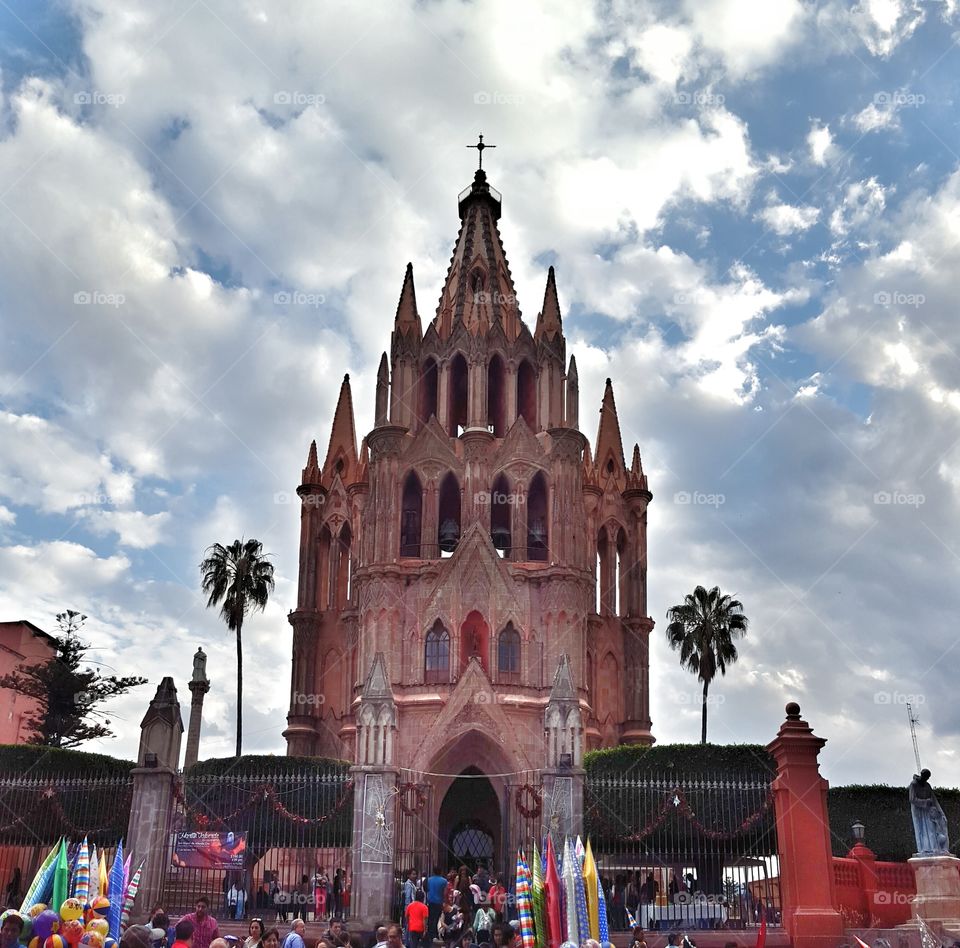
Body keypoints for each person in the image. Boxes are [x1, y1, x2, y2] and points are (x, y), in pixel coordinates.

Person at [426, 867, 448, 941]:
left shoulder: (429, 880)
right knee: (436, 918)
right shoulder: (444, 881)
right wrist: (444, 901)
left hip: (430, 901)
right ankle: (434, 934)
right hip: (439, 902)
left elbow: (427, 889)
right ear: (441, 872)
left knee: (430, 918)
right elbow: (445, 893)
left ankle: (430, 933)